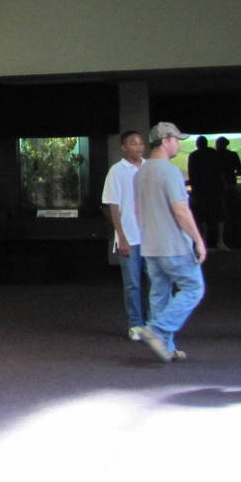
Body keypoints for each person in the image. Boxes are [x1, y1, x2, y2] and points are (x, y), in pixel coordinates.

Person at [134, 122, 208, 363]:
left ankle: (165, 347)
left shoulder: (140, 173)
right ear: (165, 140)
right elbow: (181, 211)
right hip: (174, 245)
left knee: (159, 293)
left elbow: (137, 211)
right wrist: (198, 240)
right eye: (177, 139)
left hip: (150, 245)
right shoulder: (171, 172)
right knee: (193, 288)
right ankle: (157, 330)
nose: (178, 144)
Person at [101, 129, 146, 339]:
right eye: (132, 143)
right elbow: (113, 205)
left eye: (140, 143)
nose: (137, 147)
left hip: (152, 236)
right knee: (133, 283)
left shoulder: (149, 168)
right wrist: (122, 236)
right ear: (123, 147)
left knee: (157, 282)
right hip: (130, 236)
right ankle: (136, 324)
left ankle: (155, 324)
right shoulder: (117, 171)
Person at [187, 135, 226, 249]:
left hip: (201, 192)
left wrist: (193, 192)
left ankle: (204, 242)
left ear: (197, 144)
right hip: (215, 190)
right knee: (218, 216)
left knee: (203, 217)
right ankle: (219, 241)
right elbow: (220, 172)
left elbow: (192, 174)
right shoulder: (213, 153)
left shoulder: (194, 155)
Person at [216, 136, 241, 246]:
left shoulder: (215, 156)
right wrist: (233, 174)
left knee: (222, 214)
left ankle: (222, 240)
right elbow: (240, 170)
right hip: (232, 187)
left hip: (219, 189)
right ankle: (236, 241)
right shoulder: (233, 155)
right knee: (234, 213)